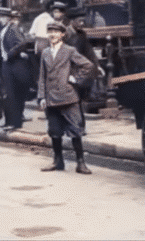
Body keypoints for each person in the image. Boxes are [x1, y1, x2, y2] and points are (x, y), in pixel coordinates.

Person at [38, 21, 95, 174]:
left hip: (69, 98)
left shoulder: (69, 50)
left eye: (56, 32)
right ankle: (58, 161)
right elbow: (42, 76)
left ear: (62, 35)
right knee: (54, 131)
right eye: (50, 32)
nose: (52, 35)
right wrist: (42, 96)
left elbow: (88, 65)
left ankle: (80, 163)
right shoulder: (45, 53)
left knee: (76, 130)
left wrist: (76, 78)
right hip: (51, 98)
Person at [0, 7, 31, 131]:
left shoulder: (13, 29)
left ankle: (14, 123)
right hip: (7, 64)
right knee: (8, 94)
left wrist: (10, 54)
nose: (1, 19)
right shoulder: (4, 30)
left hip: (14, 64)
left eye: (3, 17)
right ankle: (9, 121)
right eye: (0, 17)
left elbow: (22, 43)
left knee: (13, 94)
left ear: (8, 18)